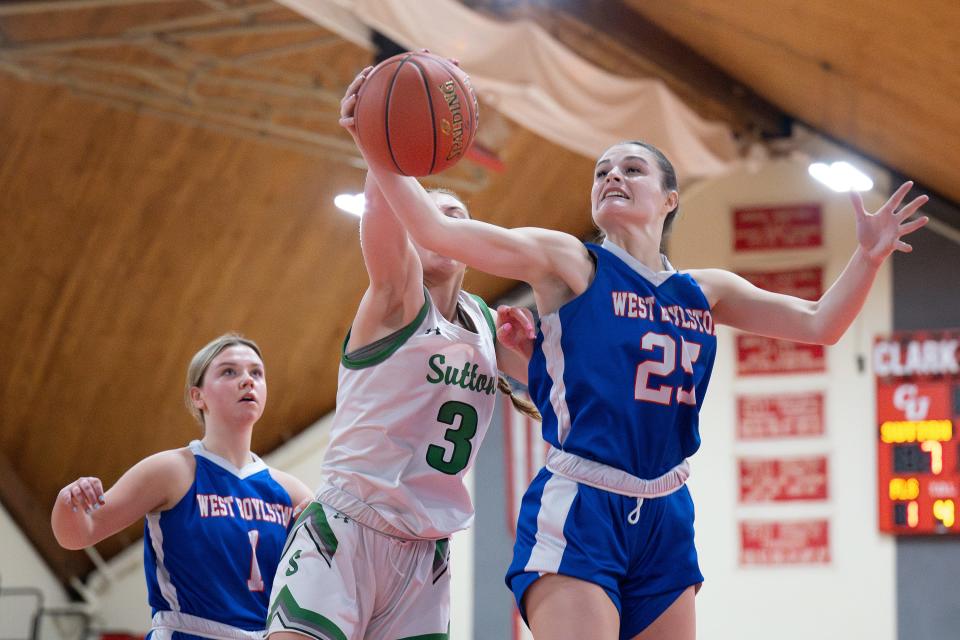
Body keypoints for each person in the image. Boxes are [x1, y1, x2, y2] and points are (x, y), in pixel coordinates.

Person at [338, 68, 930, 640]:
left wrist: (869, 256)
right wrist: (380, 143)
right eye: (600, 172)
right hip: (582, 504)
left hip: (668, 509)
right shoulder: (570, 261)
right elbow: (439, 234)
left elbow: (820, 323)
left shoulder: (706, 290)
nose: (612, 176)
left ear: (670, 199)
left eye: (632, 169)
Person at [264, 71, 534, 640]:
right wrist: (377, 139)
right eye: (427, 217)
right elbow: (384, 227)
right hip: (347, 530)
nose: (438, 227)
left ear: (471, 244)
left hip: (423, 553)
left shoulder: (490, 325)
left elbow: (559, 397)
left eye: (455, 217)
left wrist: (533, 353)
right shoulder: (394, 297)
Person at [51, 334, 313, 640]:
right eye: (229, 371)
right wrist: (68, 502)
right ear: (197, 396)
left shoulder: (292, 492)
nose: (247, 380)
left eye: (256, 373)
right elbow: (80, 533)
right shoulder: (172, 471)